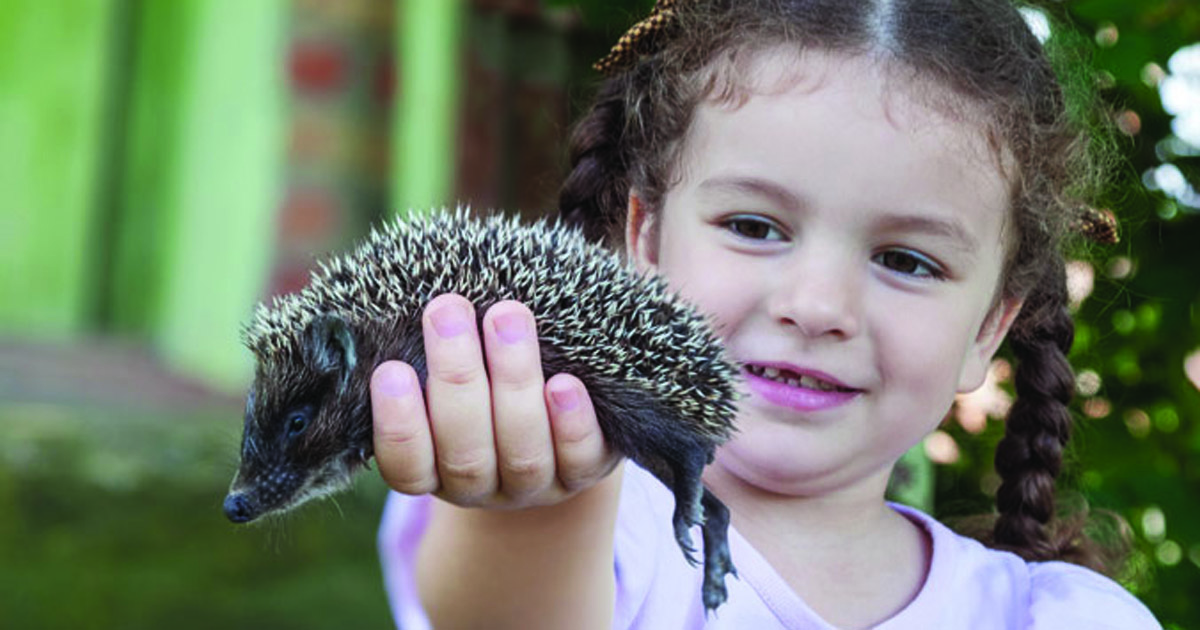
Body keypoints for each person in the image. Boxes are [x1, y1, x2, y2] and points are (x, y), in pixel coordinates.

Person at [370, 1, 1160, 628]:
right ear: (643, 240)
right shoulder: (593, 521)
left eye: (908, 261)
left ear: (989, 328)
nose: (816, 308)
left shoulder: (1052, 617)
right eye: (754, 227)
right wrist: (531, 508)